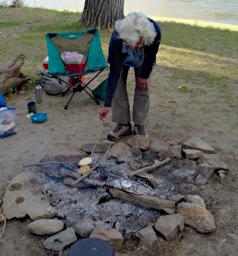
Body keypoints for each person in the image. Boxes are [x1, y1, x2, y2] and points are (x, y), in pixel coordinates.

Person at [99, 12, 161, 141]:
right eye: (129, 44)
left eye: (137, 44)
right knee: (118, 86)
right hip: (121, 57)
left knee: (143, 86)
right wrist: (107, 104)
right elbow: (114, 73)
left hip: (143, 59)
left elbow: (151, 56)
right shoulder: (118, 38)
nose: (133, 47)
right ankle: (123, 124)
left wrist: (144, 75)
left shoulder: (154, 32)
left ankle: (139, 124)